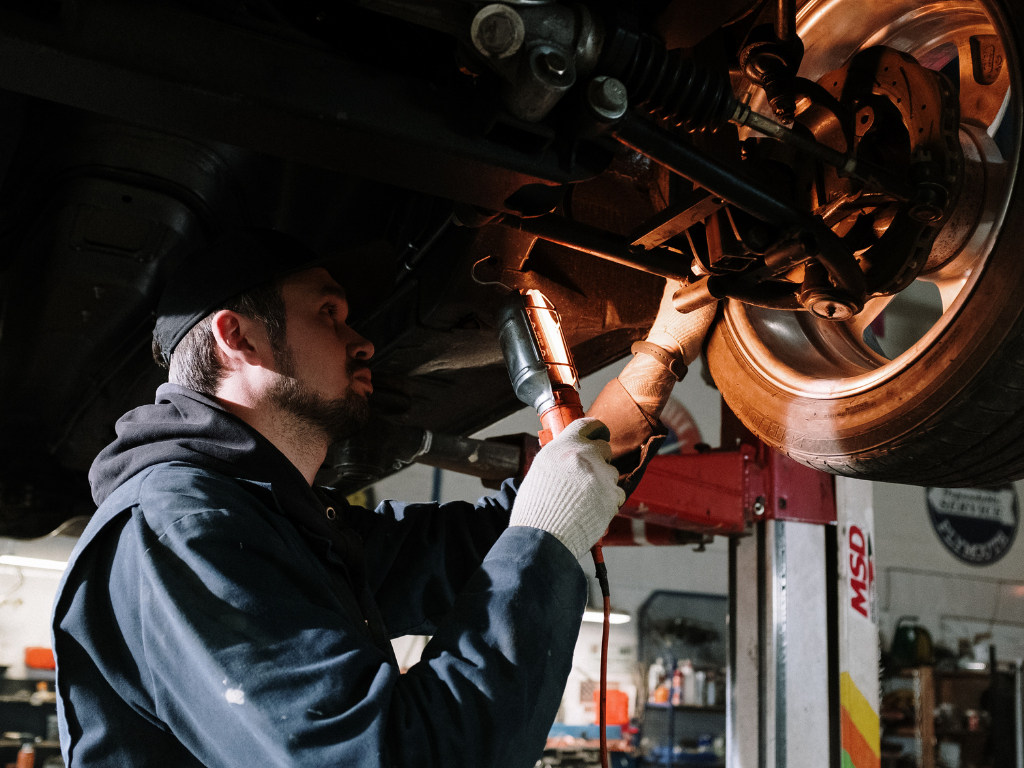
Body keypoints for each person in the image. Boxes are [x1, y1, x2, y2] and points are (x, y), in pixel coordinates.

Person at [51, 228, 714, 767]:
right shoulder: (179, 528)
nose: (363, 339)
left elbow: (489, 543)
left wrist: (661, 356)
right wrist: (546, 536)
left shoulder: (277, 523)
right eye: (328, 313)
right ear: (238, 337)